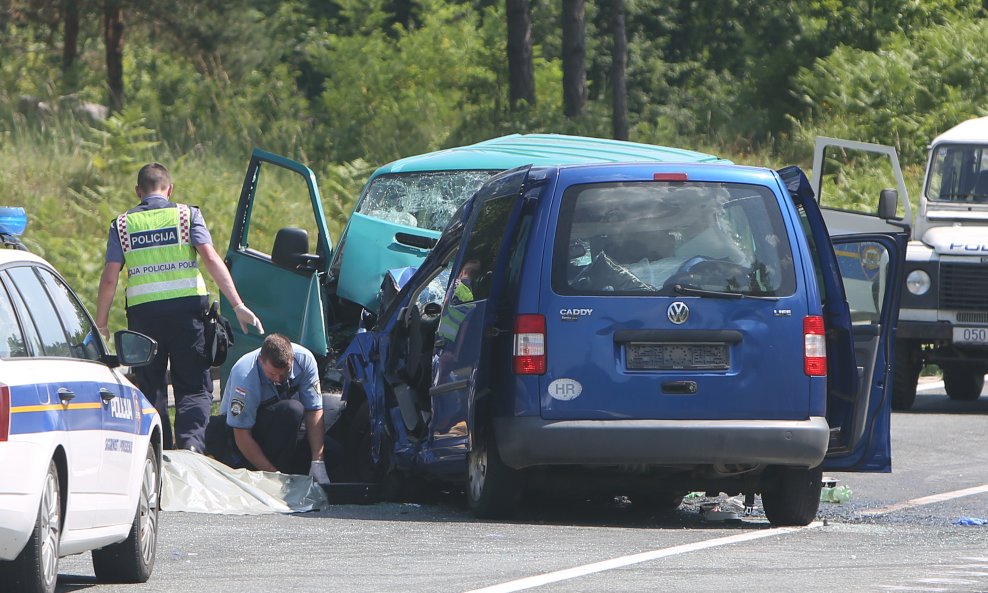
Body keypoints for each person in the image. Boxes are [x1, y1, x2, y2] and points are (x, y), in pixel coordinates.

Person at [95, 162, 263, 452]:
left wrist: (101, 324)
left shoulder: (122, 225)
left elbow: (110, 277)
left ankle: (158, 453)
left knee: (151, 387)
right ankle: (191, 449)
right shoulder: (187, 215)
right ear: (169, 189)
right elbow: (211, 259)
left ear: (138, 191)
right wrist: (237, 304)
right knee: (195, 387)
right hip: (189, 316)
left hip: (144, 318)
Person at [204, 333, 330, 484]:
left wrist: (318, 462)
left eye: (284, 374)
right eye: (272, 374)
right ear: (261, 361)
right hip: (240, 437)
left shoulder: (305, 360)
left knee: (333, 452)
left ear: (292, 359)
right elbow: (241, 435)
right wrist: (274, 477)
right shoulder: (245, 374)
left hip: (277, 426)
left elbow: (314, 411)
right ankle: (276, 473)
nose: (278, 379)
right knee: (292, 410)